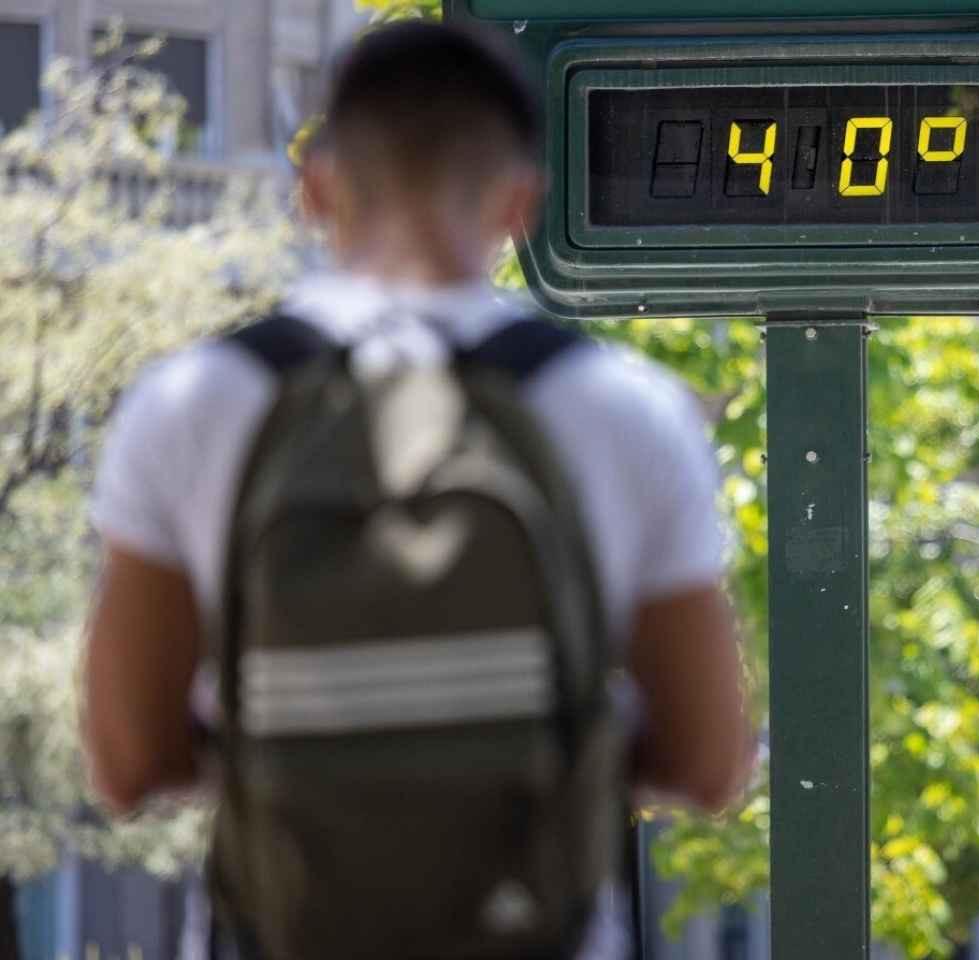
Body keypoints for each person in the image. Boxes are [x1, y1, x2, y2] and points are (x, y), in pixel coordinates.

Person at [81, 20, 750, 960]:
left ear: (315, 192)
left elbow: (127, 762)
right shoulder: (625, 410)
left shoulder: (192, 402)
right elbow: (709, 762)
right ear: (520, 202)